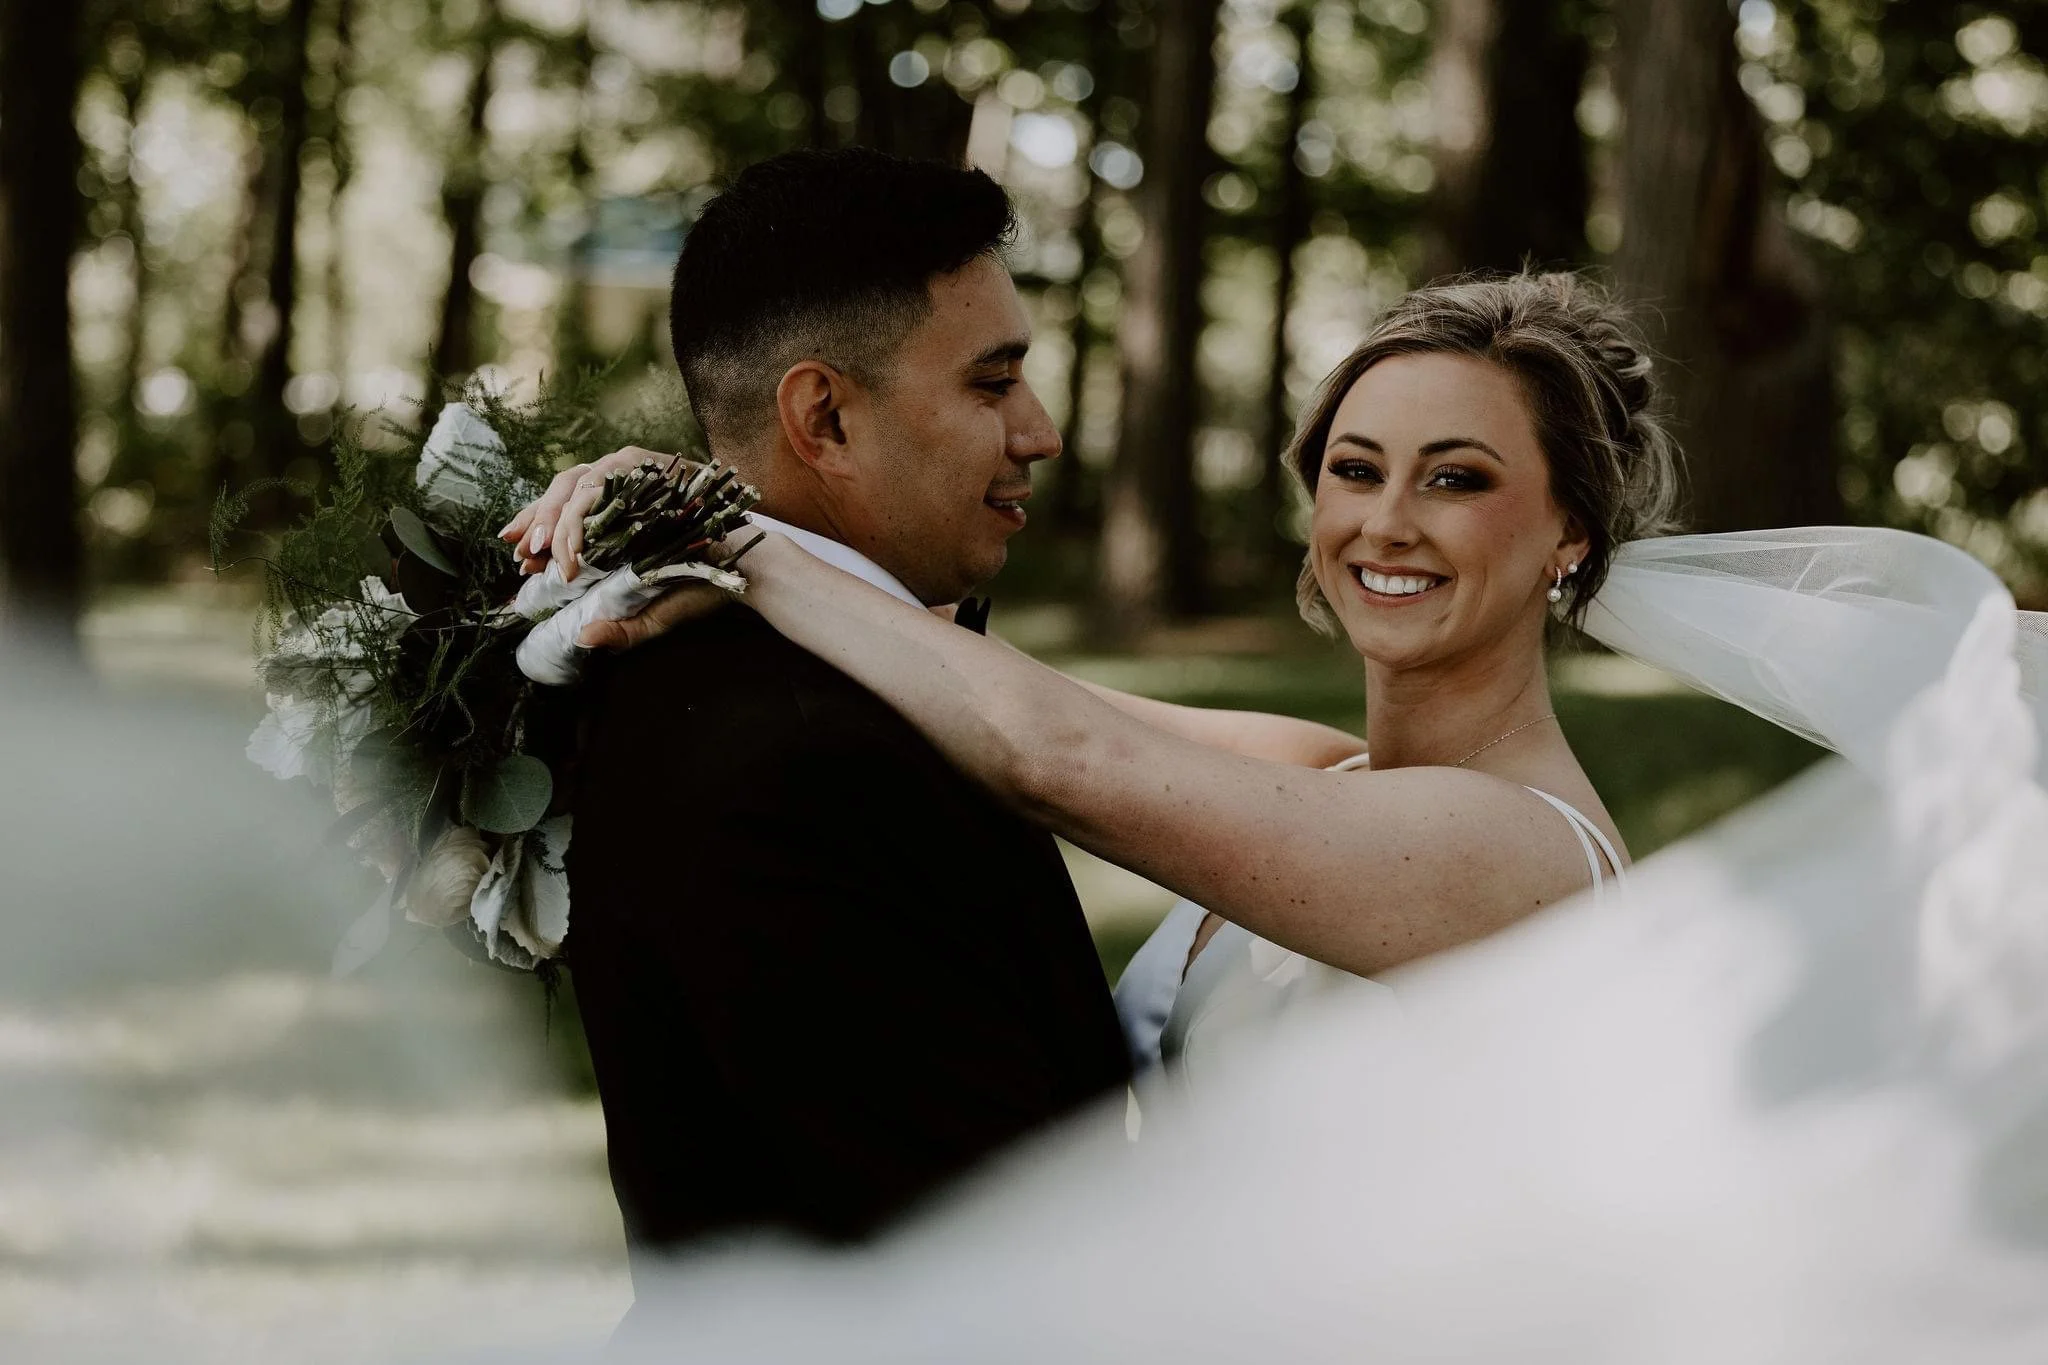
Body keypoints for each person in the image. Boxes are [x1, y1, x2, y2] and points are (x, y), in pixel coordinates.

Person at [514, 271, 1680, 1090]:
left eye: (1456, 481)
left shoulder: (1526, 863)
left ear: (1568, 530)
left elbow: (1055, 757)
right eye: (1354, 469)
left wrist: (730, 537)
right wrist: (686, 515)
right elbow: (968, 682)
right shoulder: (1323, 772)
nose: (1384, 524)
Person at [501, 149, 1157, 1282]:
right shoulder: (807, 761)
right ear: (824, 418)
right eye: (991, 384)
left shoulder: (764, 668)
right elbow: (982, 1263)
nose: (1039, 432)